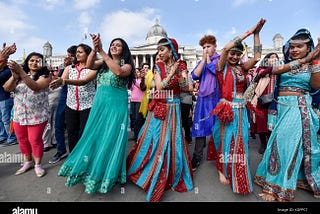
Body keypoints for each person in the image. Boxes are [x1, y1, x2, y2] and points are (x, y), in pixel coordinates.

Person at [58, 33, 135, 194]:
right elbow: (88, 65)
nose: (114, 46)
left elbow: (119, 72)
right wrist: (95, 49)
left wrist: (103, 52)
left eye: (118, 45)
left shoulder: (126, 64)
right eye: (112, 44)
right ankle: (91, 170)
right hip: (99, 105)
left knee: (111, 138)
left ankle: (108, 174)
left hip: (115, 106)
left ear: (124, 50)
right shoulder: (103, 63)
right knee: (94, 136)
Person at [254, 28, 320, 202]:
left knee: (286, 144)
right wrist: (307, 58)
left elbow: (315, 85)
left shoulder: (312, 65)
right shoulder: (282, 63)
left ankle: (279, 187)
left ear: (309, 47)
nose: (295, 50)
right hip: (282, 108)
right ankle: (295, 179)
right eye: (292, 47)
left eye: (300, 46)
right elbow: (272, 71)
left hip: (298, 109)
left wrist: (316, 61)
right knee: (279, 142)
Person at [126, 37, 194, 202]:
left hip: (175, 107)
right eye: (158, 50)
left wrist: (180, 74)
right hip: (161, 106)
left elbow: (187, 87)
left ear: (170, 50)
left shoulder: (182, 65)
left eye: (162, 49)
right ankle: (151, 170)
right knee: (154, 138)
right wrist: (172, 73)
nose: (159, 53)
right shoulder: (158, 66)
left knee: (173, 139)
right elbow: (160, 87)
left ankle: (171, 171)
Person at [211, 18, 266, 194]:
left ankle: (240, 172)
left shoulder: (242, 68)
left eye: (238, 54)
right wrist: (249, 31)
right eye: (232, 54)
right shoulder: (220, 68)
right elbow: (226, 48)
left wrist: (257, 35)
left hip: (241, 111)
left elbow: (257, 57)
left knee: (241, 142)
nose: (234, 56)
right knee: (225, 141)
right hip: (227, 110)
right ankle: (222, 170)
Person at [5, 52, 51, 177]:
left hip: (38, 115)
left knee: (34, 140)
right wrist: (14, 77)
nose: (34, 63)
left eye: (38, 61)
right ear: (27, 62)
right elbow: (7, 88)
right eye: (31, 60)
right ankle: (27, 162)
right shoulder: (18, 76)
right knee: (22, 140)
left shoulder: (46, 76)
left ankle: (38, 165)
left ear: (43, 63)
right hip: (19, 115)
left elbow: (35, 87)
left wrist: (21, 72)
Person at [50, 43, 96, 153]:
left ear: (88, 54)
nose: (77, 54)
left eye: (81, 52)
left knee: (85, 133)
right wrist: (56, 82)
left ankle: (84, 157)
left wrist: (63, 81)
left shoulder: (93, 68)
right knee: (71, 133)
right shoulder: (69, 68)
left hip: (87, 106)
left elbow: (83, 81)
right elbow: (61, 81)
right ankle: (73, 157)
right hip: (71, 105)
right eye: (77, 52)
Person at [190, 35, 220, 171]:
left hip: (217, 98)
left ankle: (221, 157)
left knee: (218, 128)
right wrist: (203, 61)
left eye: (208, 46)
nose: (206, 49)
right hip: (203, 99)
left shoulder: (220, 59)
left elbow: (216, 71)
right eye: (203, 47)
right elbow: (194, 75)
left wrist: (209, 62)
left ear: (215, 47)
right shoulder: (201, 61)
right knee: (200, 127)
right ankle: (197, 156)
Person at [49, 45, 77, 164]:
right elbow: (59, 80)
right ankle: (61, 150)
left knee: (75, 128)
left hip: (77, 98)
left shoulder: (85, 66)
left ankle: (76, 151)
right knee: (58, 123)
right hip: (64, 96)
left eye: (71, 55)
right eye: (68, 55)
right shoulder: (65, 67)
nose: (68, 57)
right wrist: (64, 66)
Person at [249, 53, 279, 154]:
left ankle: (270, 144)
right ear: (266, 60)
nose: (274, 59)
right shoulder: (261, 69)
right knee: (261, 123)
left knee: (271, 124)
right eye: (272, 58)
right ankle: (263, 144)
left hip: (274, 101)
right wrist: (275, 66)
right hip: (261, 101)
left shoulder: (280, 71)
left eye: (276, 58)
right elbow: (261, 74)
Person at [0, 42, 17, 146]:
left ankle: (12, 138)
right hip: (1, 99)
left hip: (5, 99)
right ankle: (3, 136)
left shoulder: (8, 70)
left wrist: (4, 57)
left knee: (6, 120)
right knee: (1, 120)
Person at [179, 60, 194, 145]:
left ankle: (188, 138)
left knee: (185, 120)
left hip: (185, 100)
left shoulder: (187, 76)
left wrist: (180, 88)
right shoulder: (178, 75)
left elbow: (191, 89)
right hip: (179, 99)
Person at [129, 67, 144, 141]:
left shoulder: (142, 81)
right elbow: (130, 88)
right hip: (133, 100)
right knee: (134, 119)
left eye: (137, 72)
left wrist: (134, 80)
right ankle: (135, 135)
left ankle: (139, 135)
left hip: (139, 101)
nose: (136, 73)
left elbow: (141, 87)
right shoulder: (133, 81)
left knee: (138, 119)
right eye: (135, 72)